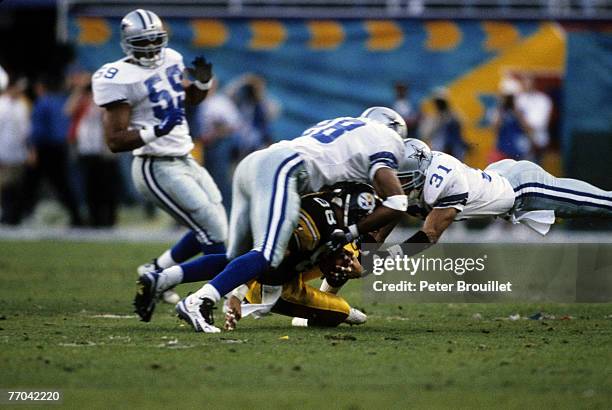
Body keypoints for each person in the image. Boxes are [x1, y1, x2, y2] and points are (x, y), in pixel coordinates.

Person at [173, 106, 412, 333]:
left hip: (266, 164)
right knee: (272, 255)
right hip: (287, 178)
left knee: (246, 254)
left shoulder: (339, 135)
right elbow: (397, 205)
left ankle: (162, 278)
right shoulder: (382, 142)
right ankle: (202, 298)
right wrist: (348, 237)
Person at [92, 9, 228, 304]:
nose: (153, 48)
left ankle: (155, 272)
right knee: (214, 232)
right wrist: (157, 130)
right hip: (155, 165)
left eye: (157, 40)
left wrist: (202, 84)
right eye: (144, 42)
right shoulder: (117, 77)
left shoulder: (172, 58)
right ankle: (208, 295)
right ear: (128, 43)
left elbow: (188, 98)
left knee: (216, 224)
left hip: (185, 156)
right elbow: (114, 140)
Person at [134, 182, 375, 328]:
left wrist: (352, 265)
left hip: (265, 202)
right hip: (273, 279)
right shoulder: (320, 223)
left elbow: (363, 258)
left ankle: (163, 277)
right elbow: (268, 258)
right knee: (341, 311)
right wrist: (238, 294)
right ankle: (206, 298)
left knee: (233, 256)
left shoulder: (331, 203)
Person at [381, 138, 612, 256]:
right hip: (500, 177)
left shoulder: (445, 182)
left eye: (403, 177)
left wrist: (379, 261)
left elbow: (429, 235)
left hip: (524, 187)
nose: (397, 182)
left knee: (601, 204)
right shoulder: (421, 175)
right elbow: (379, 228)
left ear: (420, 173)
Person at [26, 73, 83, 226]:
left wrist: (32, 149)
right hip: (61, 147)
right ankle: (77, 216)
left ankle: (17, 214)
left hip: (45, 147)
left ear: (40, 88)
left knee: (30, 183)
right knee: (63, 184)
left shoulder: (42, 102)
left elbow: (37, 130)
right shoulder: (60, 101)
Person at [65, 71, 120, 227]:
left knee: (106, 185)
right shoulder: (81, 103)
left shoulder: (105, 103)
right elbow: (68, 111)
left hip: (103, 150)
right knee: (90, 186)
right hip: (86, 149)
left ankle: (109, 218)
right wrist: (79, 89)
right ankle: (93, 217)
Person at [196, 80, 242, 211]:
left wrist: (216, 133)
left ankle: (227, 213)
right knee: (202, 181)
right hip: (200, 144)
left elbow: (233, 125)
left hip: (219, 144)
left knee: (220, 180)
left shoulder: (221, 102)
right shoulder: (198, 101)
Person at [0, 76, 31, 225]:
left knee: (17, 185)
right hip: (3, 151)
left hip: (19, 152)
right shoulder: (1, 105)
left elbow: (26, 130)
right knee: (5, 185)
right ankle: (6, 215)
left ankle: (14, 216)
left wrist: (29, 150)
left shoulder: (22, 105)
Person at [420, 88, 469, 161]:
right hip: (438, 151)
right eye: (438, 102)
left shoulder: (453, 115)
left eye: (442, 102)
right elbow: (424, 134)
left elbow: (463, 123)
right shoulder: (433, 118)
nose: (440, 105)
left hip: (455, 152)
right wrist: (439, 121)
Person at [515, 75, 552, 163]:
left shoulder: (543, 99)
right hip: (519, 141)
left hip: (537, 141)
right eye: (525, 83)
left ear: (535, 84)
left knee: (533, 171)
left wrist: (520, 117)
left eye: (530, 82)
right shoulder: (518, 99)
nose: (527, 85)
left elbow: (539, 123)